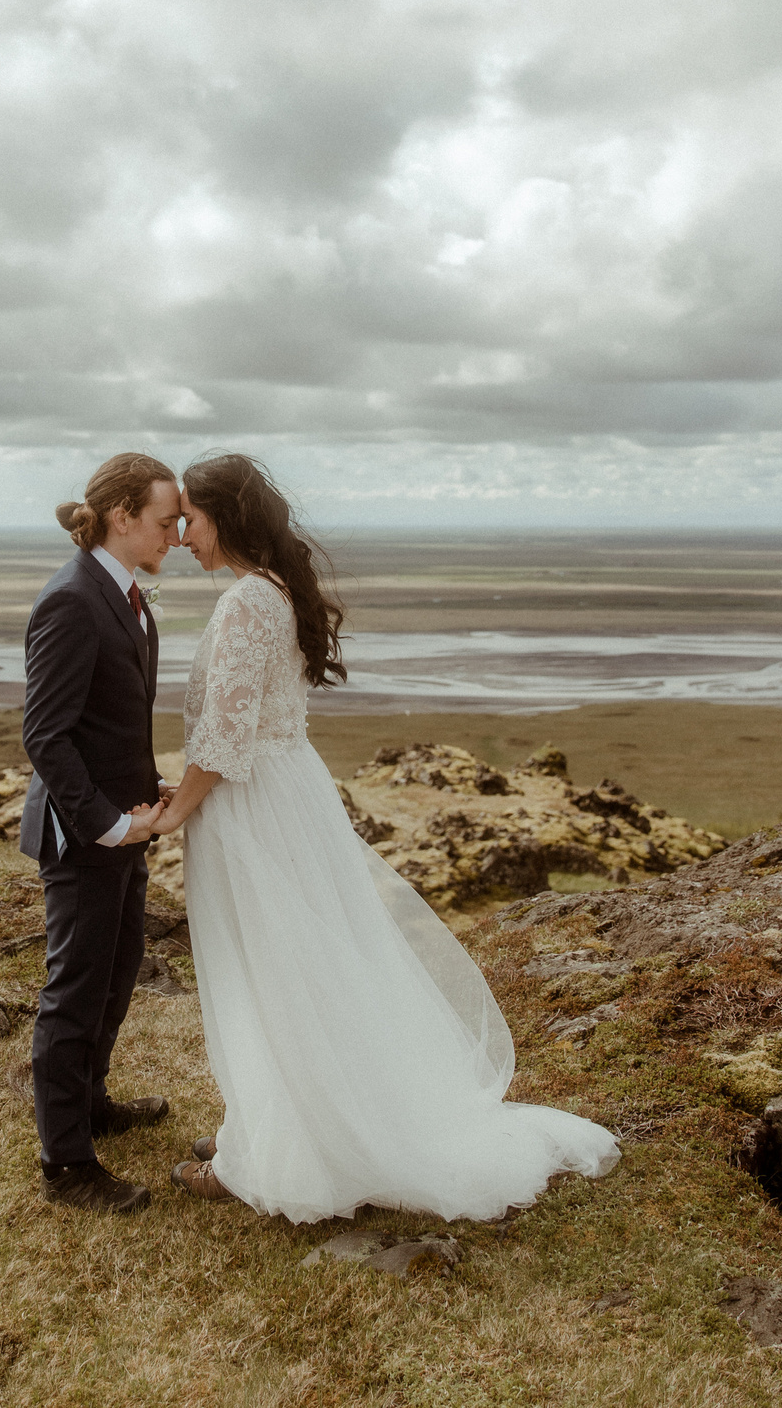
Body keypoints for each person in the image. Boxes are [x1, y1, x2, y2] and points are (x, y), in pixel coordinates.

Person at [144, 453, 621, 1221]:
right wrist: (191, 789)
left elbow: (224, 742)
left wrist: (175, 810)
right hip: (286, 794)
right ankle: (269, 1125)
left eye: (190, 521)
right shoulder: (274, 593)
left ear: (223, 518)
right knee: (300, 963)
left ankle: (276, 1151)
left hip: (252, 806)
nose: (181, 539)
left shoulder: (242, 605)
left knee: (271, 973)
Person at [19, 452, 181, 1213]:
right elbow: (46, 736)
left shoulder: (125, 595)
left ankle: (91, 1102)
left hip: (126, 827)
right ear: (121, 516)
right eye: (165, 519)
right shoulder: (73, 600)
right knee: (75, 991)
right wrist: (110, 824)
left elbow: (111, 720)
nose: (177, 533)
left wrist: (147, 798)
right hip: (85, 836)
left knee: (119, 971)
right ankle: (66, 1162)